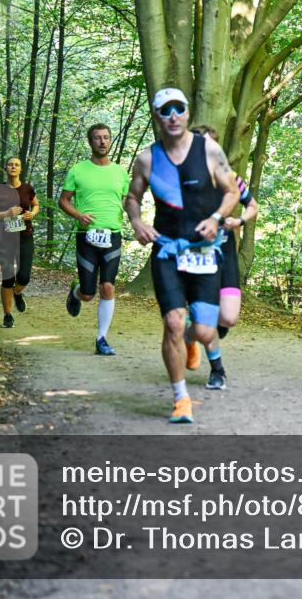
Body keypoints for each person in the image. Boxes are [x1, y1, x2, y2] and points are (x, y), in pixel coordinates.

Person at [125, 89, 240, 423]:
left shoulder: (209, 150)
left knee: (204, 328)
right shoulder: (147, 159)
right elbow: (132, 197)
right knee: (173, 322)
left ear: (187, 113)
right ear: (157, 116)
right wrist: (136, 222)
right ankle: (181, 398)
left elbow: (233, 191)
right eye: (165, 110)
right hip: (167, 251)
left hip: (205, 252)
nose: (173, 115)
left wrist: (216, 219)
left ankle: (193, 342)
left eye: (178, 109)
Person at [186, 126, 260, 390]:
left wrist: (238, 220)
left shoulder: (232, 178)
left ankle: (190, 331)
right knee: (205, 319)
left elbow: (253, 206)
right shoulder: (184, 179)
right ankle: (217, 371)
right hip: (196, 254)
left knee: (227, 319)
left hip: (225, 252)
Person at [58, 123, 130, 356]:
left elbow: (128, 201)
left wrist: (138, 221)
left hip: (112, 236)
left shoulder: (120, 172)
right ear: (90, 142)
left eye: (106, 137)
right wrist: (78, 215)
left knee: (108, 286)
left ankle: (101, 338)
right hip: (86, 237)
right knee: (89, 294)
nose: (102, 141)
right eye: (97, 138)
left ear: (110, 141)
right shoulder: (78, 170)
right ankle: (77, 291)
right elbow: (64, 201)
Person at [0, 156, 39, 328]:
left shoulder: (27, 188)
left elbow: (35, 205)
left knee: (24, 277)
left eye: (17, 165)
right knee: (8, 278)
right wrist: (6, 213)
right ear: (6, 168)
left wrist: (33, 213)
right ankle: (7, 315)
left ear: (21, 169)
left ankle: (17, 293)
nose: (13, 167)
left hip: (25, 237)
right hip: (4, 239)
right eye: (10, 164)